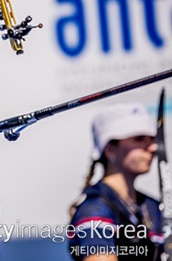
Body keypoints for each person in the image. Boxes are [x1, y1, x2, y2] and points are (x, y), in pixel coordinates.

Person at [69, 103, 164, 261]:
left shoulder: (153, 207)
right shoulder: (94, 209)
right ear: (110, 149)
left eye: (152, 139)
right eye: (139, 139)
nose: (153, 147)